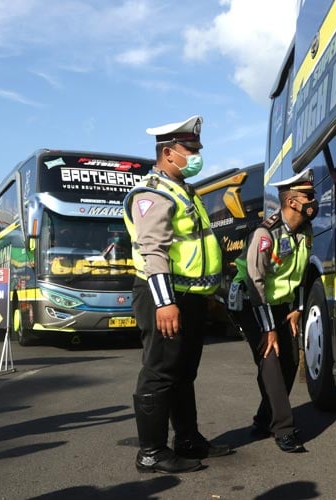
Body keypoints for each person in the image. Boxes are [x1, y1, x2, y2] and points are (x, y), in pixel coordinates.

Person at [123, 115, 231, 474]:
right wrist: (165, 301)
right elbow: (153, 250)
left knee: (184, 372)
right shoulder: (151, 193)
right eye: (192, 150)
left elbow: (197, 249)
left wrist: (208, 293)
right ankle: (151, 452)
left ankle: (187, 439)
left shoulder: (184, 189)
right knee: (160, 372)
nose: (198, 155)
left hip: (190, 296)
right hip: (164, 294)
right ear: (169, 153)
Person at [228, 168, 318, 453]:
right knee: (271, 361)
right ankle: (283, 428)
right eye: (309, 196)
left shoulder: (305, 231)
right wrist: (268, 329)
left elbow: (302, 272)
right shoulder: (265, 233)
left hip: (281, 305)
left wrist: (298, 309)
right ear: (292, 202)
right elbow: (255, 283)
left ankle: (263, 419)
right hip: (250, 302)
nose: (314, 200)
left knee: (291, 360)